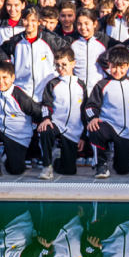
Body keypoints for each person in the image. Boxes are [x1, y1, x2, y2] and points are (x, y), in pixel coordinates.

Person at [0, 61, 42, 175]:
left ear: (12, 78)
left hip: (17, 136)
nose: (1, 82)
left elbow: (38, 113)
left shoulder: (21, 97)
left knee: (16, 170)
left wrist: (33, 133)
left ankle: (8, 153)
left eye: (4, 77)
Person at [85, 47, 129, 178]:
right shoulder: (102, 84)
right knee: (94, 128)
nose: (117, 70)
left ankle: (118, 156)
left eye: (121, 67)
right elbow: (90, 106)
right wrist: (93, 118)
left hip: (127, 131)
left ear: (127, 66)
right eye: (114, 67)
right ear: (109, 65)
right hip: (108, 124)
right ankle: (100, 164)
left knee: (123, 170)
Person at [38, 48, 87, 179]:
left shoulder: (81, 85)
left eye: (64, 64)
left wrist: (83, 136)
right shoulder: (52, 84)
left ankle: (57, 158)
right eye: (57, 65)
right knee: (45, 129)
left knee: (69, 171)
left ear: (73, 64)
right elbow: (46, 104)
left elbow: (84, 111)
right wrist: (46, 118)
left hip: (73, 129)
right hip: (56, 123)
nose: (60, 68)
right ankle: (47, 166)